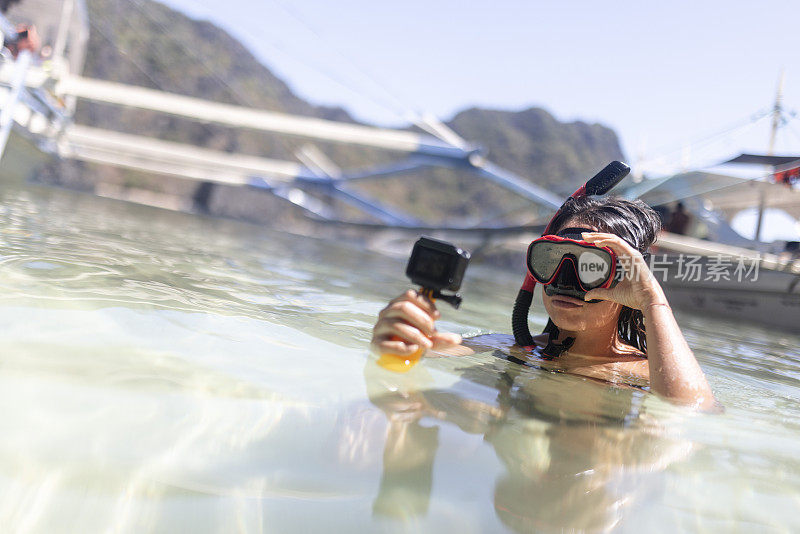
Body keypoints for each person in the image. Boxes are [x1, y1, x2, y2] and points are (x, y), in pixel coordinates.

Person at [371, 196, 717, 409]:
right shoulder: (508, 347)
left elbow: (691, 409)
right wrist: (397, 341)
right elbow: (410, 361)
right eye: (552, 259)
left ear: (627, 276)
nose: (565, 280)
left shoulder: (648, 371)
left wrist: (652, 301)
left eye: (591, 267)